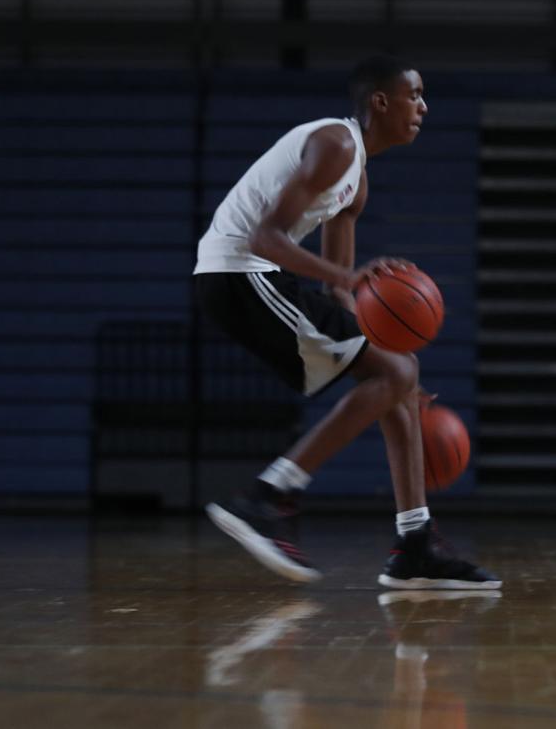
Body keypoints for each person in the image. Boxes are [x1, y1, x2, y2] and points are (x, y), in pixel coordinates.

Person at [194, 54, 499, 590]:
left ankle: (416, 544)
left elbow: (338, 292)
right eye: (414, 95)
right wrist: (352, 280)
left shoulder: (356, 181)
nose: (424, 107)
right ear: (380, 101)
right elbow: (267, 238)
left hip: (256, 276)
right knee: (396, 373)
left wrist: (391, 365)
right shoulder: (336, 143)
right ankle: (266, 497)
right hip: (238, 273)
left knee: (399, 377)